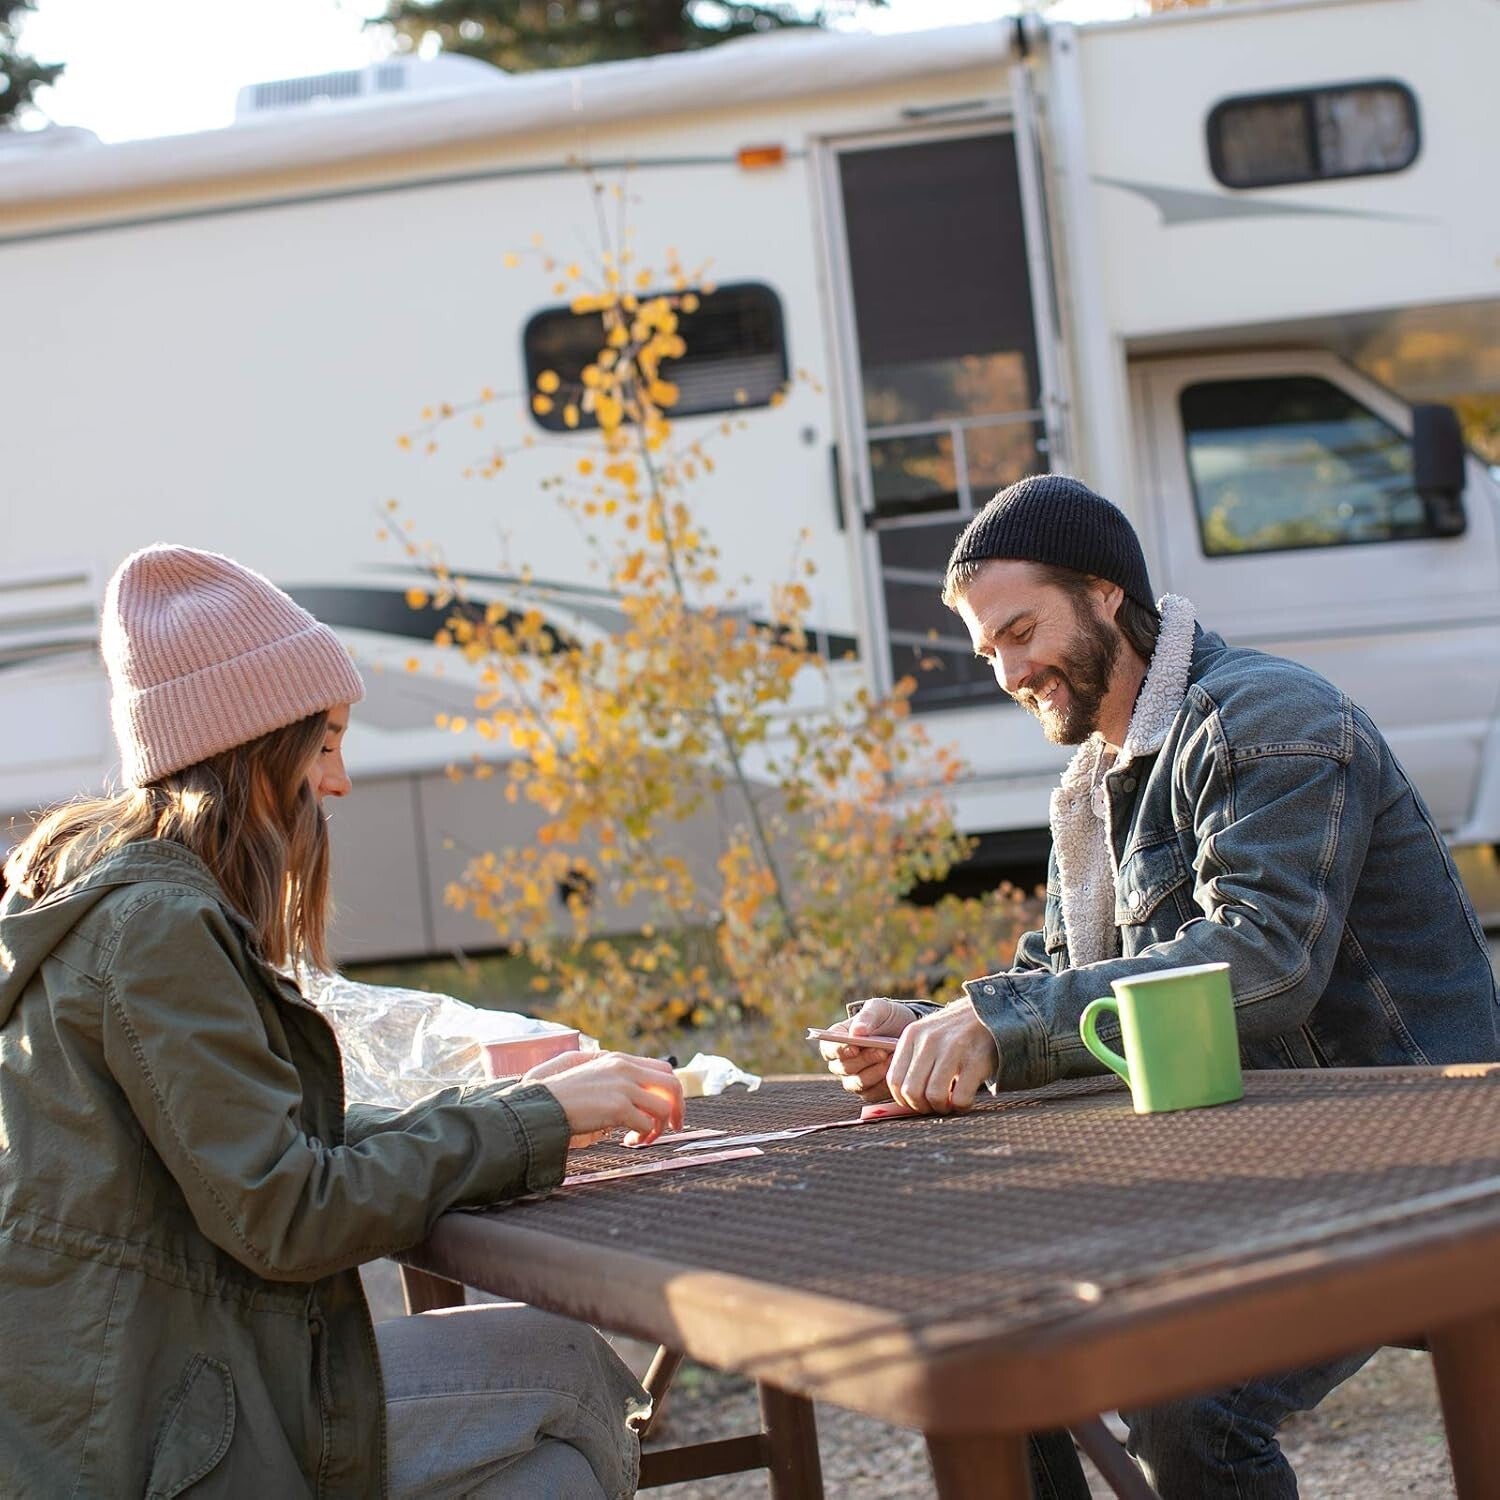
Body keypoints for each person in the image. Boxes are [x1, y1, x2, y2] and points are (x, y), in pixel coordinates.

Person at [820, 474, 1500, 1499]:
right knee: (991, 1331)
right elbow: (1062, 983)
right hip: (1256, 1165)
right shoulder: (1101, 783)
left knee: (1192, 1403)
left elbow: (1265, 962)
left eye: (1020, 631)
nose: (1009, 671)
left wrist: (998, 1027)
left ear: (1105, 593)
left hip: (1417, 1164)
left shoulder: (1269, 718)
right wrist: (925, 1029)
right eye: (988, 651)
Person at [0, 544, 682, 1498]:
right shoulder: (155, 929)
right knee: (564, 1369)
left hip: (137, 1389)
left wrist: (521, 1109)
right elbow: (288, 1213)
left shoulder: (113, 908)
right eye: (324, 743)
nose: (340, 781)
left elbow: (264, 1145)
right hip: (154, 1428)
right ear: (253, 752)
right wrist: (537, 1119)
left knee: (552, 1472)